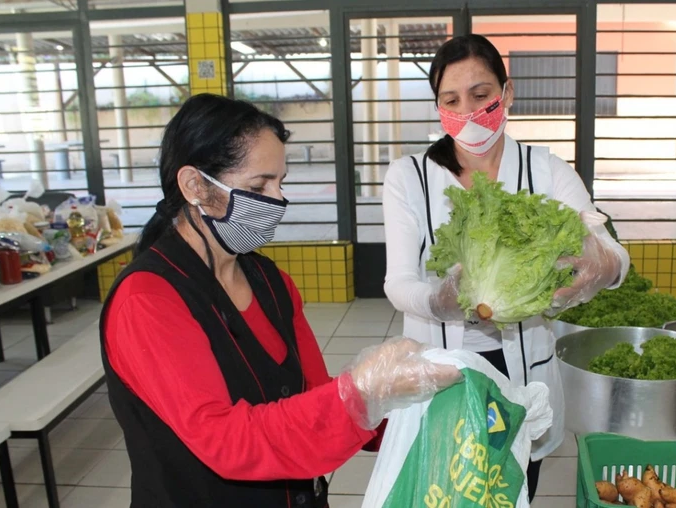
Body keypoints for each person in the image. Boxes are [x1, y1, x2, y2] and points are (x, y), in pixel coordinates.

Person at [100, 94, 461, 507]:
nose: (278, 199)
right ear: (195, 186)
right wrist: (360, 395)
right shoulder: (149, 300)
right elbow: (226, 441)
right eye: (259, 186)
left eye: (280, 182)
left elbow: (312, 394)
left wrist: (406, 406)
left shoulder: (270, 281)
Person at [382, 34, 630, 501]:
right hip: (441, 368)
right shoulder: (409, 177)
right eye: (451, 101)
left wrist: (604, 264)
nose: (469, 112)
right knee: (443, 489)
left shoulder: (546, 169)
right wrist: (439, 302)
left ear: (506, 93)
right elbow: (397, 284)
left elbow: (612, 253)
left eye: (481, 95)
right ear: (437, 106)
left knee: (512, 487)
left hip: (521, 369)